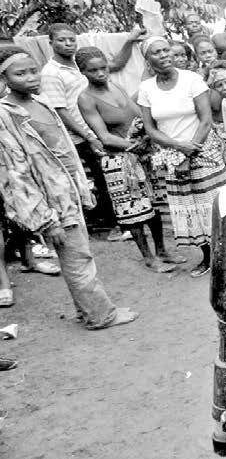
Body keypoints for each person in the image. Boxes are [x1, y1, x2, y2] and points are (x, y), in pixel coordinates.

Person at [0, 46, 138, 329]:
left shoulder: (41, 102)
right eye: (20, 74)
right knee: (77, 257)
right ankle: (101, 316)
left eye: (33, 71)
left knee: (77, 253)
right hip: (50, 200)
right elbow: (15, 173)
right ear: (4, 78)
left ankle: (89, 309)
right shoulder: (6, 115)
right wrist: (44, 218)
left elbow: (63, 150)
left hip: (68, 190)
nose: (30, 77)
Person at [76, 47, 187, 273]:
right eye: (93, 70)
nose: (100, 73)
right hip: (118, 161)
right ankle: (148, 257)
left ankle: (162, 251)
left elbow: (138, 114)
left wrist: (150, 135)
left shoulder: (116, 87)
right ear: (82, 72)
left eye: (103, 68)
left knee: (153, 206)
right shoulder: (86, 99)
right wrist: (136, 145)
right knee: (132, 211)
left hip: (141, 156)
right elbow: (105, 137)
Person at [136, 37, 226, 278]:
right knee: (190, 209)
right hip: (171, 155)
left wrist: (189, 152)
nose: (163, 55)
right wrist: (178, 149)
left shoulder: (191, 79)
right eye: (156, 52)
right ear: (147, 60)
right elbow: (150, 129)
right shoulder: (146, 89)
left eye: (165, 50)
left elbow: (205, 120)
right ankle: (208, 257)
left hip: (203, 151)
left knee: (212, 205)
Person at [39, 23, 143, 235]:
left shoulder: (82, 64)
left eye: (71, 39)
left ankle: (127, 222)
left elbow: (115, 64)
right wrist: (89, 136)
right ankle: (117, 225)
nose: (68, 44)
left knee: (116, 175)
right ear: (51, 42)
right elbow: (60, 110)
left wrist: (130, 40)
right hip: (83, 135)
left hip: (101, 129)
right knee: (105, 178)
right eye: (61, 40)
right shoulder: (51, 73)